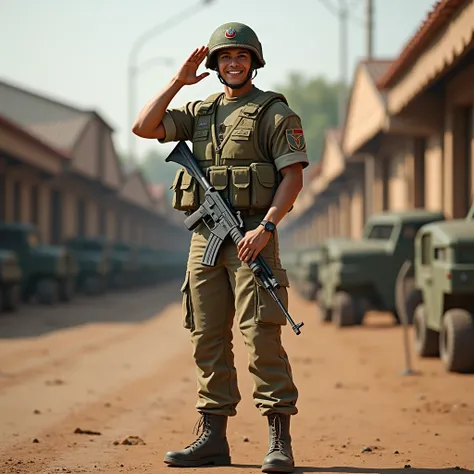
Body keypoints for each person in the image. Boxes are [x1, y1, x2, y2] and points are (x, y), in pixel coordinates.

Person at [132, 21, 308, 473]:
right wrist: (177, 81)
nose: (233, 63)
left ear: (254, 63)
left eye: (242, 57)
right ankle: (212, 438)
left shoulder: (274, 114)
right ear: (215, 65)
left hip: (253, 237)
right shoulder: (200, 110)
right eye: (225, 58)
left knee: (261, 335)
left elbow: (293, 177)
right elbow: (142, 127)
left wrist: (266, 228)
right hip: (206, 237)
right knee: (206, 335)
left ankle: (278, 440)